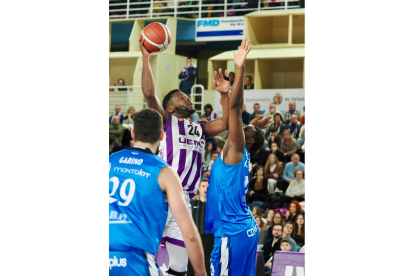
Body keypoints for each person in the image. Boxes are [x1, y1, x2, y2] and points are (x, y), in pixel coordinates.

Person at [139, 36, 231, 275]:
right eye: (182, 97)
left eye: (188, 96)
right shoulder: (167, 121)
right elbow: (150, 95)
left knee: (177, 267)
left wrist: (224, 94)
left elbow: (227, 122)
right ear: (170, 108)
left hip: (185, 200)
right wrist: (146, 58)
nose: (187, 98)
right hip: (160, 197)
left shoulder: (200, 127)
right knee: (147, 259)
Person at [109, 109, 206, 276]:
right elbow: (189, 234)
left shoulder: (109, 161)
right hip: (135, 260)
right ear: (161, 135)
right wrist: (201, 273)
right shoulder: (164, 172)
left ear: (133, 133)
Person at [205, 38, 268, 276]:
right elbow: (239, 127)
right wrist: (224, 95)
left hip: (232, 232)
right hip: (243, 228)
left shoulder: (237, 147)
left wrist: (240, 68)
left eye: (246, 129)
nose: (242, 128)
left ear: (248, 141)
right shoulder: (241, 151)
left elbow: (234, 109)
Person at [188, 178, 214, 276]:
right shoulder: (192, 203)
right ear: (198, 188)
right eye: (203, 186)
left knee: (207, 266)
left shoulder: (214, 205)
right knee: (192, 265)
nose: (205, 188)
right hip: (196, 240)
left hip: (210, 239)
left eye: (207, 186)